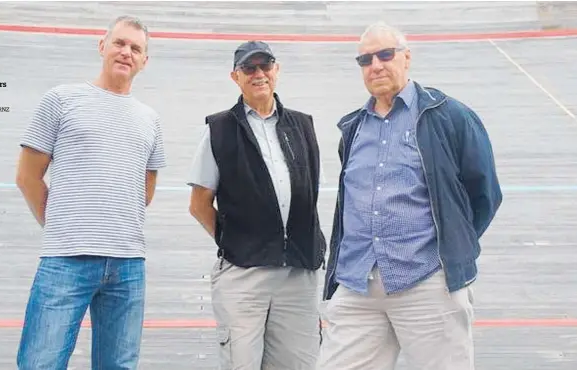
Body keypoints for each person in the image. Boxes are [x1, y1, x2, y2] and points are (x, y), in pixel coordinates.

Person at [318, 21, 502, 370]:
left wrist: (450, 248)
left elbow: (485, 194)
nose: (376, 65)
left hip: (427, 283)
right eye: (365, 59)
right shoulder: (353, 127)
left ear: (406, 58)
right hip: (358, 284)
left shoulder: (448, 116)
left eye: (385, 54)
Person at [14, 15, 166, 370]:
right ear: (102, 46)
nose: (126, 52)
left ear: (145, 60)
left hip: (128, 265)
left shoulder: (149, 118)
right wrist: (60, 226)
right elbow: (27, 176)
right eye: (119, 43)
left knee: (119, 365)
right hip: (66, 259)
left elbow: (145, 187)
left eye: (136, 48)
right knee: (41, 362)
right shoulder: (61, 100)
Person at [187, 40, 327, 370]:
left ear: (276, 71)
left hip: (298, 273)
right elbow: (199, 204)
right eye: (249, 68)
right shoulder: (219, 130)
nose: (258, 74)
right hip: (244, 275)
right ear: (236, 77)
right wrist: (236, 243)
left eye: (265, 66)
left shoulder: (303, 126)